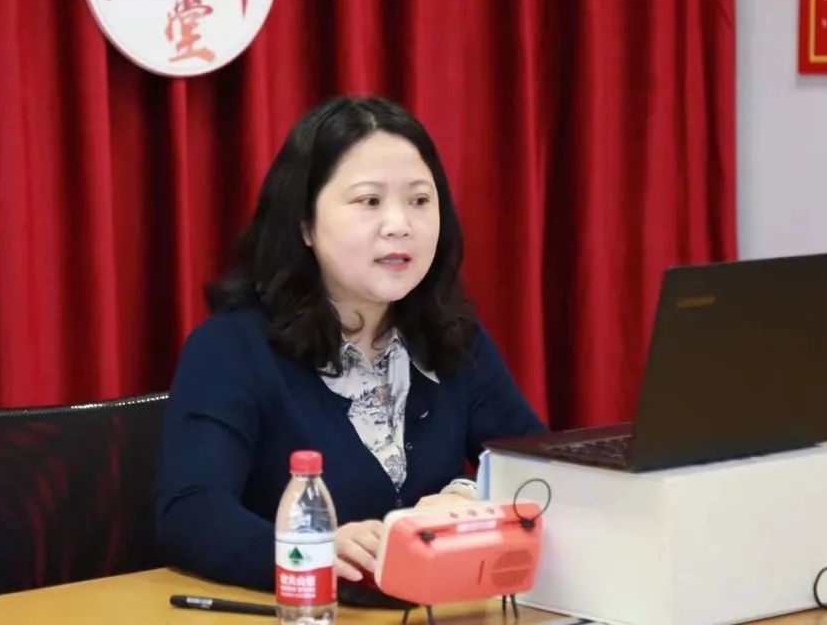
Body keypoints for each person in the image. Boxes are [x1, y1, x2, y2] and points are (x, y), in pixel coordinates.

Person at [155, 95, 547, 592]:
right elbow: (191, 513)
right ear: (304, 223)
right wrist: (309, 552)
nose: (400, 225)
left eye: (419, 201)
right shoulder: (231, 348)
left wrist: (468, 497)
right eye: (369, 202)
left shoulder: (453, 337)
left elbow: (538, 469)